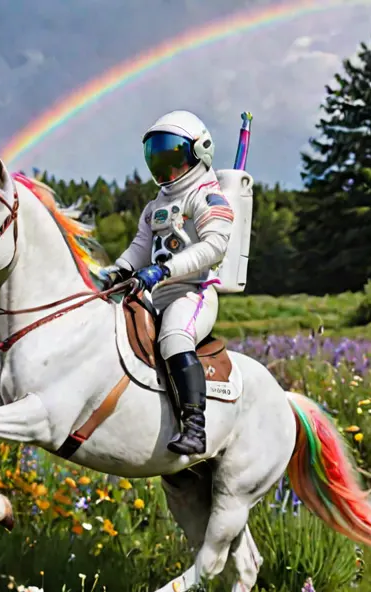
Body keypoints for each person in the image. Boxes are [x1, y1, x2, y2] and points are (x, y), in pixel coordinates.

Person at [100, 110, 233, 456]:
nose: (165, 166)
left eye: (172, 156)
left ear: (199, 151)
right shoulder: (154, 205)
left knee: (174, 338)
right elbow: (141, 247)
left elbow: (214, 245)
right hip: (151, 290)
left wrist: (163, 271)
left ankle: (194, 427)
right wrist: (118, 271)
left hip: (192, 292)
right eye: (156, 157)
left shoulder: (207, 196)